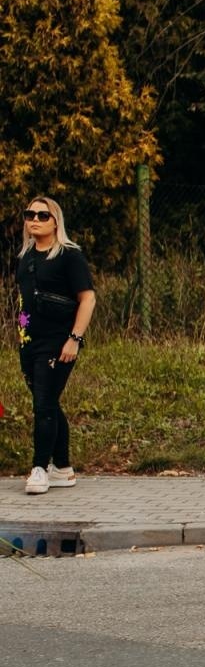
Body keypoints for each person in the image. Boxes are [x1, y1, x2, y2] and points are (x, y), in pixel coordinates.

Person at [15, 196, 95, 495]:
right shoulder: (26, 258)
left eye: (42, 215)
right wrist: (21, 337)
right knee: (47, 402)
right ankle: (62, 468)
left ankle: (39, 468)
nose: (34, 219)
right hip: (30, 343)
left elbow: (87, 298)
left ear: (55, 221)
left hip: (59, 341)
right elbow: (23, 302)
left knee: (43, 404)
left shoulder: (69, 256)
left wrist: (75, 339)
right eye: (29, 214)